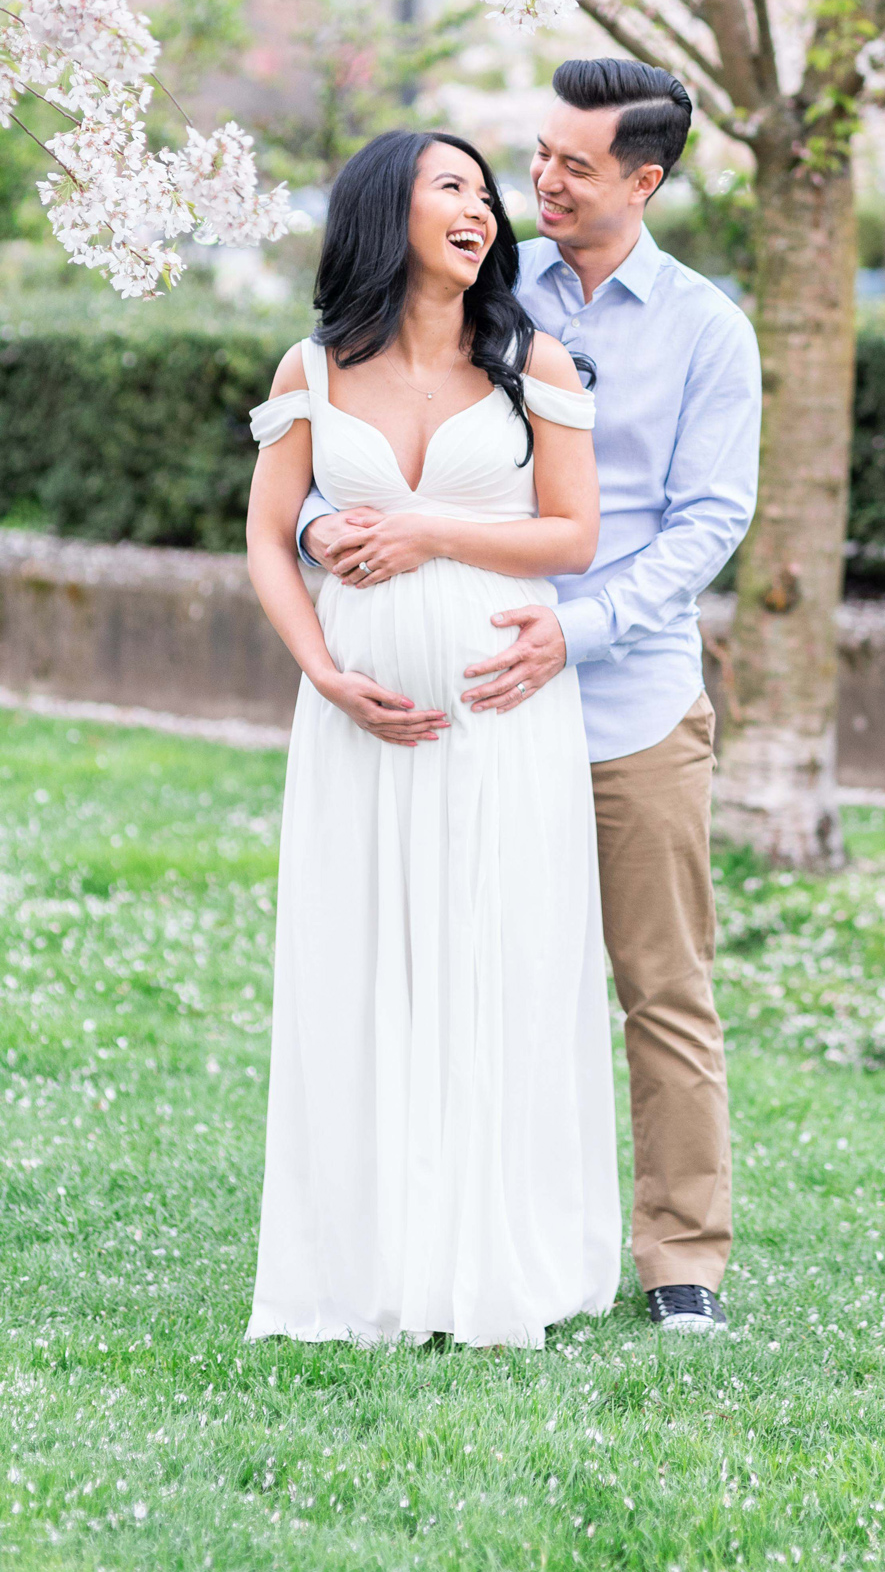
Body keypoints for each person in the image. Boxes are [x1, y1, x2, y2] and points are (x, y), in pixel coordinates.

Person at [301, 61, 762, 1337]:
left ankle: (682, 1260)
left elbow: (709, 520)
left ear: (643, 181)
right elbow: (364, 439)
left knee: (659, 984)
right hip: (476, 713)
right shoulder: (489, 293)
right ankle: (465, 1237)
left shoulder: (707, 328)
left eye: (573, 165)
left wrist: (577, 629)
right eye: (536, 157)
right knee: (476, 974)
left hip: (624, 708)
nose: (537, 183)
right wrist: (333, 543)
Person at [244, 129, 619, 1348]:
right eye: (449, 187)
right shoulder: (312, 366)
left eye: (484, 194)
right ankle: (366, 1267)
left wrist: (430, 531)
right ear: (379, 211)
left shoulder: (532, 360)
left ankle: (493, 1260)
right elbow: (266, 534)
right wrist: (325, 673)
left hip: (502, 714)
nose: (481, 209)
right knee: (358, 971)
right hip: (355, 724)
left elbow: (572, 535)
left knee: (493, 956)